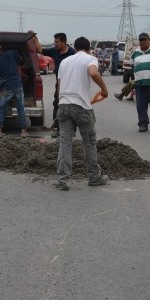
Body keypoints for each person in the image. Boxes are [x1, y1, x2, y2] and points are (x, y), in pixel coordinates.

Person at [56, 36, 109, 191]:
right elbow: (93, 73)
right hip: (81, 107)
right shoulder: (90, 58)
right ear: (88, 49)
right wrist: (104, 89)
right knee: (89, 142)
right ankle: (94, 177)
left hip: (64, 106)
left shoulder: (65, 62)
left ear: (74, 48)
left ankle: (62, 180)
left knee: (65, 143)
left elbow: (60, 86)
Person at [32, 32, 75, 137]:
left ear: (64, 42)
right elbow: (39, 50)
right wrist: (35, 37)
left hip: (72, 84)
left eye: (57, 42)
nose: (55, 43)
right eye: (54, 41)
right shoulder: (54, 51)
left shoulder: (72, 52)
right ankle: (56, 128)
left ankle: (72, 129)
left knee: (72, 107)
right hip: (60, 84)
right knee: (57, 105)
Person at [0, 42, 29, 138]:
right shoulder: (11, 53)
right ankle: (23, 131)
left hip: (6, 87)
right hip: (18, 85)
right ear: (1, 48)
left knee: (3, 108)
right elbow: (21, 61)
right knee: (20, 107)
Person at [130, 33, 150, 132]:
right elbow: (132, 67)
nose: (142, 42)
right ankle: (143, 124)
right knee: (141, 105)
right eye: (140, 40)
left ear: (148, 40)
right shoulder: (135, 53)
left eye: (144, 39)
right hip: (140, 85)